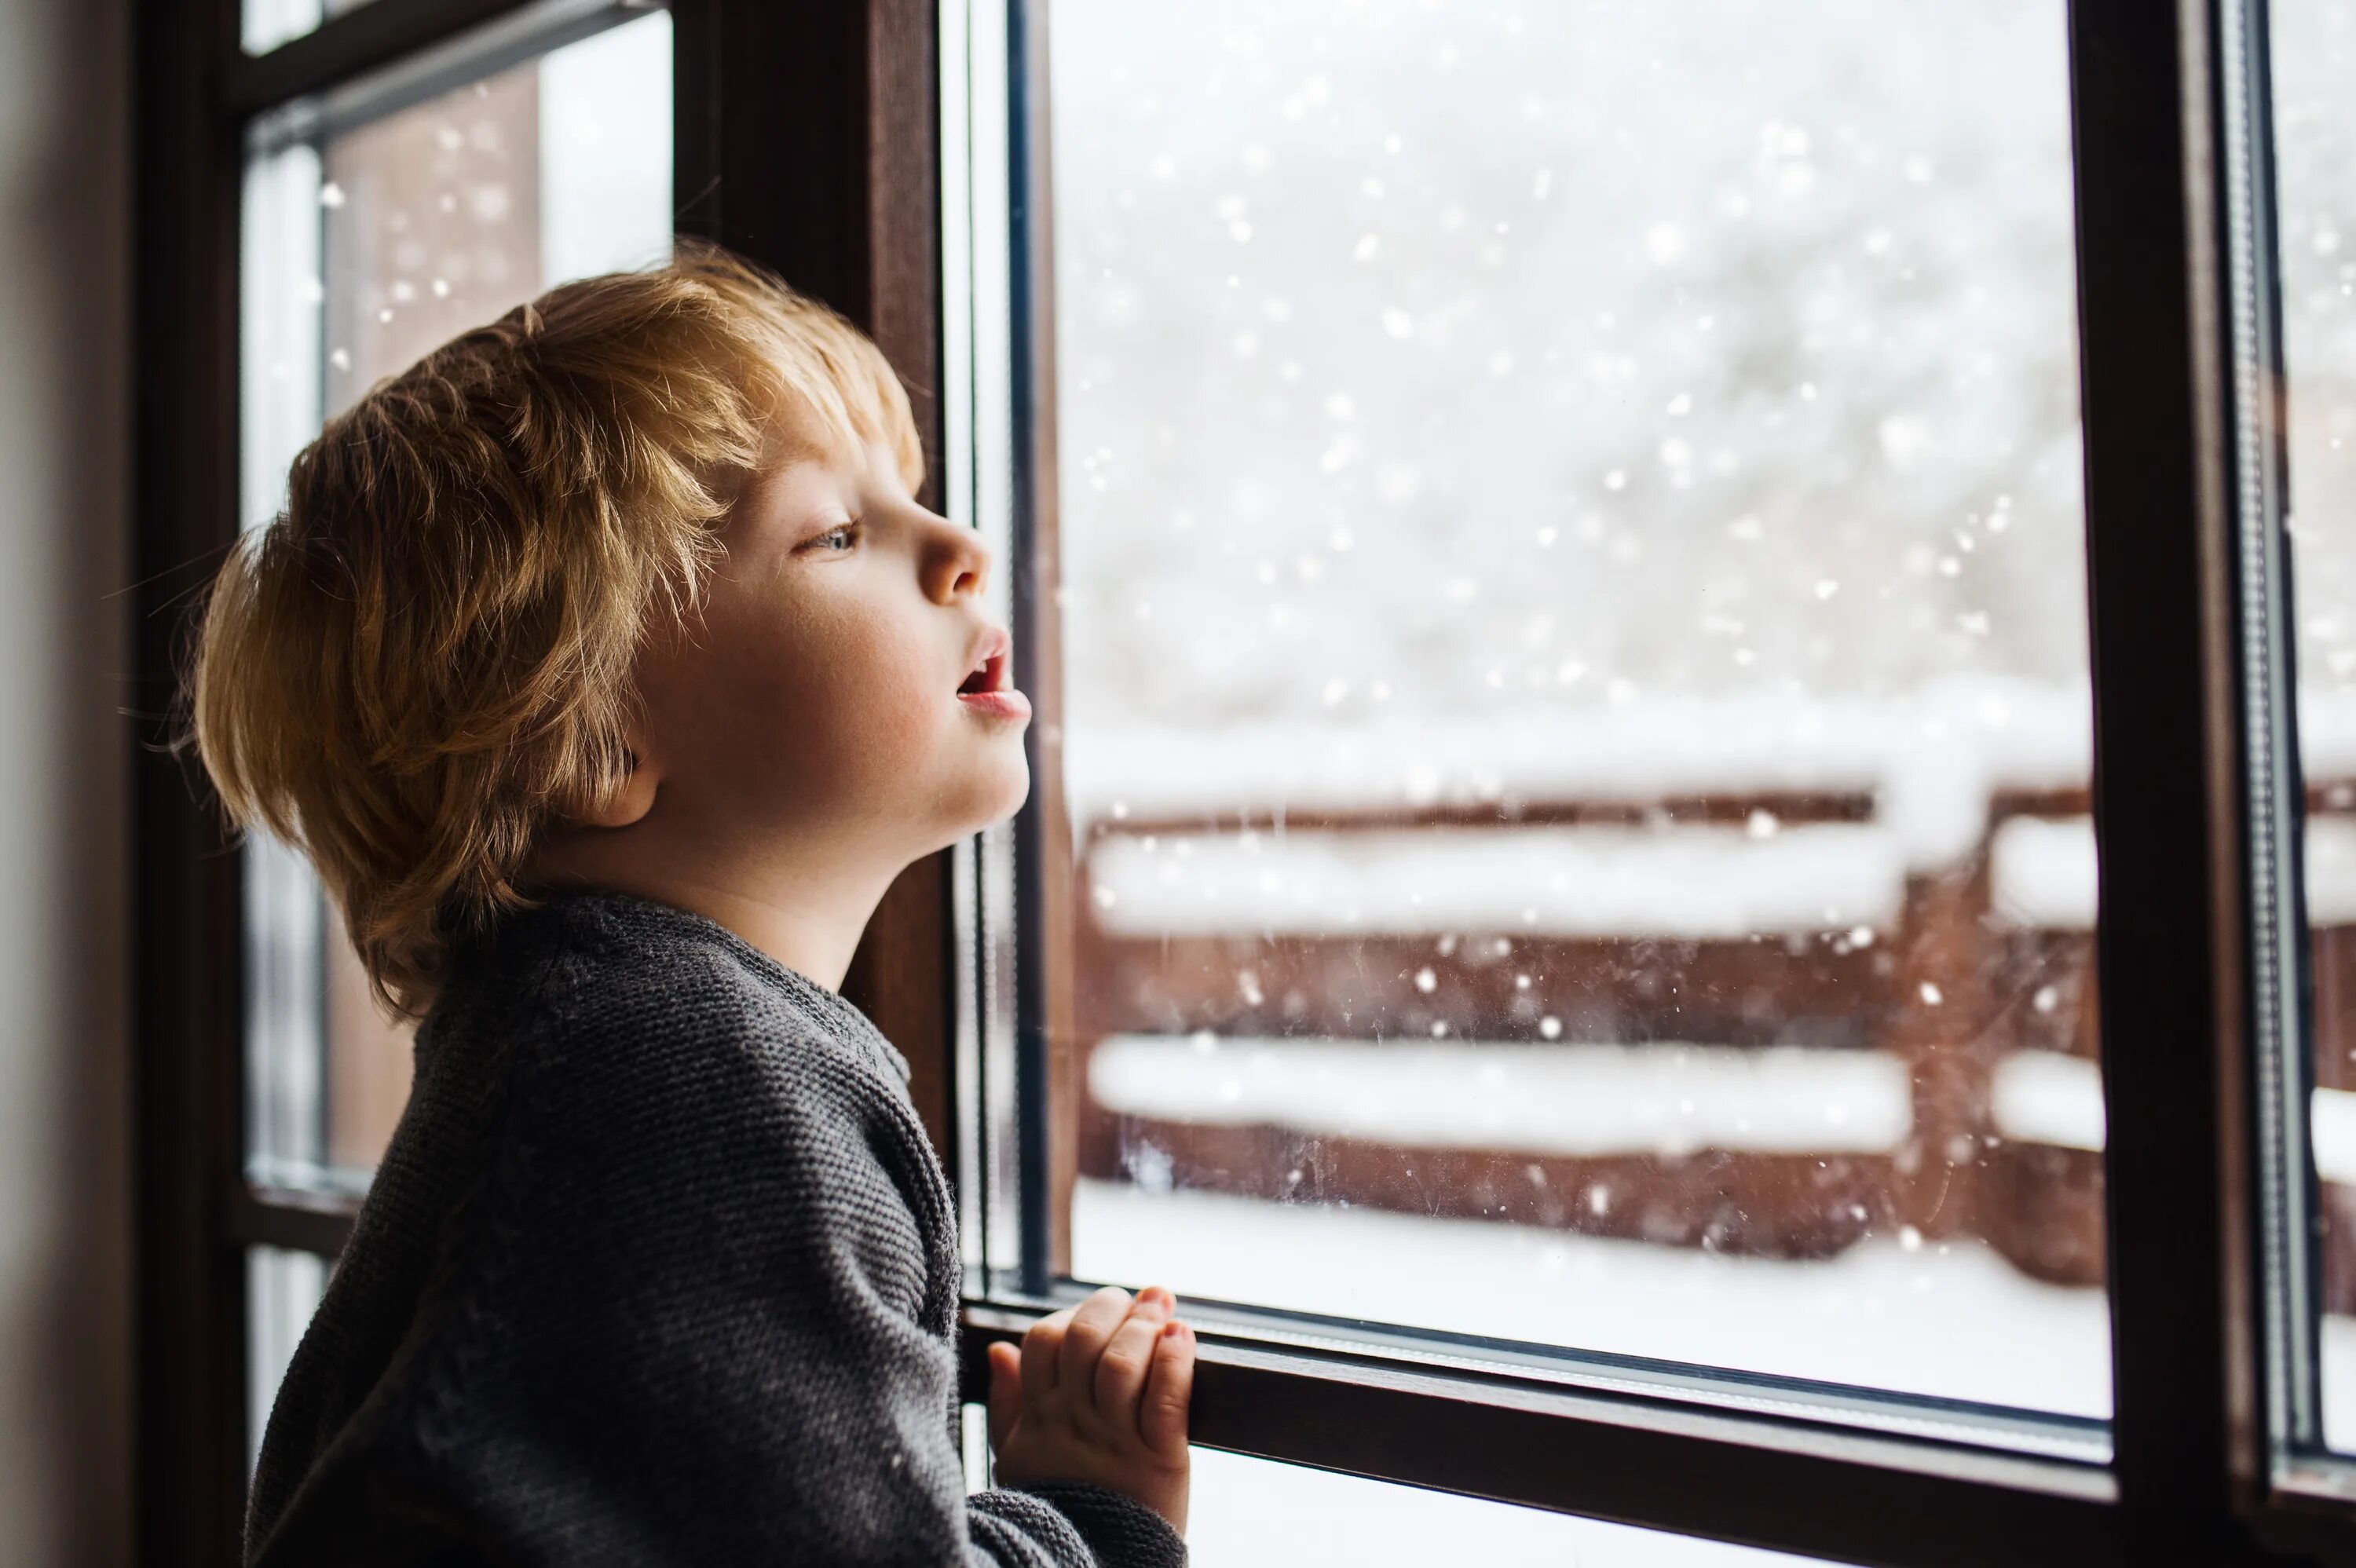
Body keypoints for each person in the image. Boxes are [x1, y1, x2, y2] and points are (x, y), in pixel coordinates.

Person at [184, 238, 1194, 1566]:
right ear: (596, 742)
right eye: (836, 531)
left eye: (910, 494)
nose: (960, 547)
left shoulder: (570, 1047)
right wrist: (1087, 1520)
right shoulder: (693, 1085)